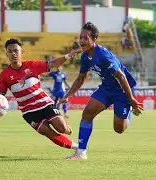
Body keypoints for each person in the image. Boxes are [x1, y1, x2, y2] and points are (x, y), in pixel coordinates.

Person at [59, 22, 143, 160]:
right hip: (106, 88)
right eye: (80, 37)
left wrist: (131, 99)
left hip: (122, 90)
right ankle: (81, 153)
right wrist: (68, 95)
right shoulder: (85, 56)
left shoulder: (104, 56)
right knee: (87, 113)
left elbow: (121, 77)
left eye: (85, 38)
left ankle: (127, 114)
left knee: (119, 129)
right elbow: (81, 79)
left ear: (94, 39)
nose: (81, 41)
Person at [0, 38, 82, 151]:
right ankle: (77, 148)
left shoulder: (32, 65)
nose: (13, 53)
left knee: (63, 129)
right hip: (28, 112)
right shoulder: (4, 75)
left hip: (44, 103)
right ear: (7, 54)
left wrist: (69, 55)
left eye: (16, 50)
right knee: (47, 132)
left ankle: (66, 127)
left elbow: (53, 63)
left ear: (21, 52)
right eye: (10, 51)